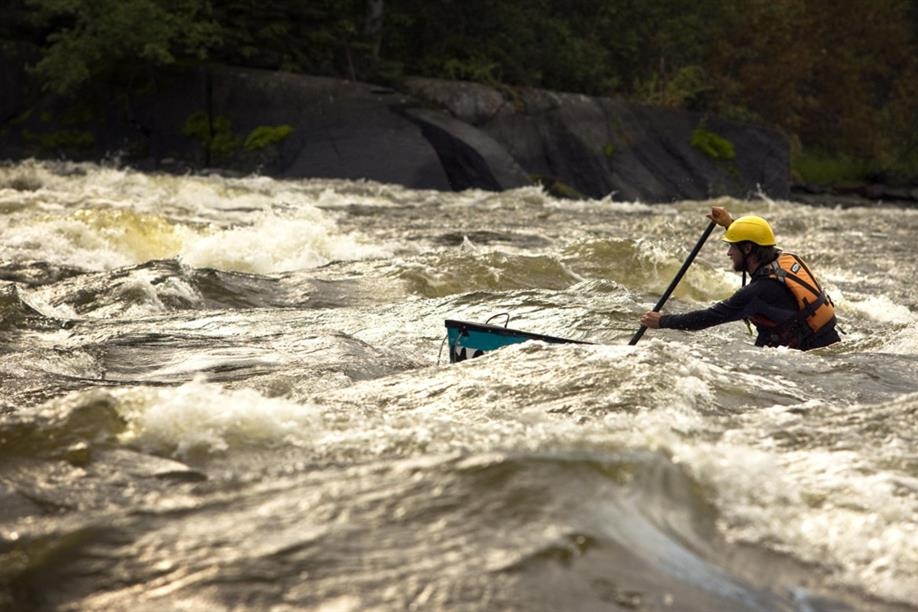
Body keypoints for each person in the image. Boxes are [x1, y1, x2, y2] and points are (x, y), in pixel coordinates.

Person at [639, 207, 840, 350]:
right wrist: (729, 224)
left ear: (747, 249)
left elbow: (708, 318)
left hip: (812, 357)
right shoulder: (784, 257)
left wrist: (663, 321)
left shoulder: (758, 292)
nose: (728, 253)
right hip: (827, 342)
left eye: (732, 247)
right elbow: (756, 239)